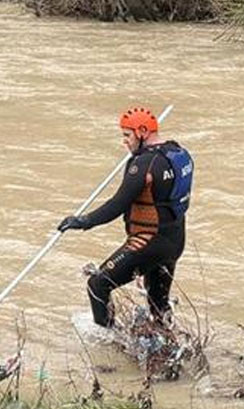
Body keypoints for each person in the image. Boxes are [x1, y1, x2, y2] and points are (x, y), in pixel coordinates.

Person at [57, 106, 193, 328]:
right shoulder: (178, 154)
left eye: (127, 135)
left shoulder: (143, 165)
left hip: (149, 242)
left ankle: (110, 342)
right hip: (175, 241)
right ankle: (166, 347)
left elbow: (118, 205)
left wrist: (83, 221)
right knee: (158, 305)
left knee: (98, 285)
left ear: (142, 132)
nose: (125, 142)